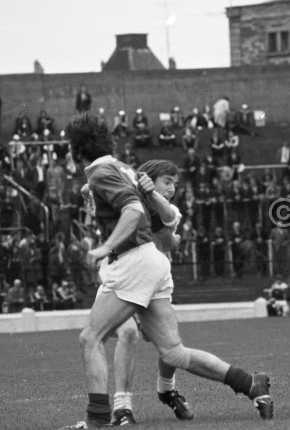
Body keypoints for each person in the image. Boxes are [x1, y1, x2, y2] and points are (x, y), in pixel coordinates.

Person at [58, 116, 273, 429]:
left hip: (132, 261)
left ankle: (97, 421)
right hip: (152, 263)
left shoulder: (101, 172)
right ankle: (250, 383)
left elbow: (132, 210)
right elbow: (153, 211)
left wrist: (105, 247)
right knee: (173, 353)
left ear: (77, 151)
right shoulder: (121, 167)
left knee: (90, 337)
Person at [100, 160, 194, 424]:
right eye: (167, 181)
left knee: (169, 345)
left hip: (155, 283)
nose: (172, 188)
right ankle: (122, 408)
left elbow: (170, 240)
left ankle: (167, 389)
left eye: (174, 183)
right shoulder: (128, 203)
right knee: (128, 333)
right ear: (149, 179)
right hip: (125, 279)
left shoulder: (166, 208)